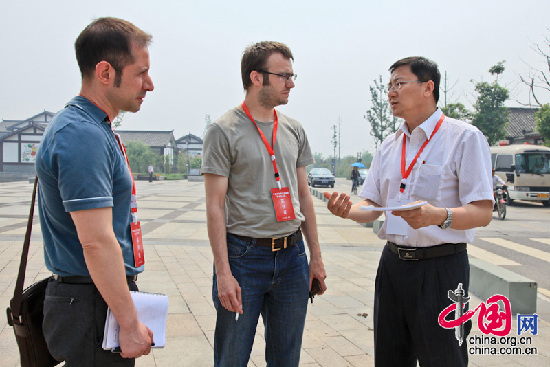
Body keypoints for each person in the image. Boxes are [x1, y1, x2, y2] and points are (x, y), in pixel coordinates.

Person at [325, 56, 493, 366]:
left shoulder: (464, 138)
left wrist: (439, 216)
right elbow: (373, 206)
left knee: (443, 357)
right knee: (390, 357)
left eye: (399, 84)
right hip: (393, 265)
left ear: (428, 87)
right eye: (389, 86)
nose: (391, 92)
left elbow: (482, 212)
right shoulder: (390, 144)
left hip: (442, 268)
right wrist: (348, 210)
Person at [35, 17, 155, 366]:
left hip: (94, 299)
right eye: (140, 72)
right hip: (89, 306)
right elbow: (96, 241)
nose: (149, 84)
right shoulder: (81, 134)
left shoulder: (94, 128)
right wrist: (129, 324)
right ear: (105, 72)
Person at [201, 41, 327, 367]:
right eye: (283, 75)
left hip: (292, 257)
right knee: (232, 357)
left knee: (286, 359)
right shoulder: (223, 131)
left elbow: (303, 197)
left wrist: (315, 258)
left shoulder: (293, 130)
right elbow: (214, 207)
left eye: (292, 75)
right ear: (257, 78)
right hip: (244, 259)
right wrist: (223, 273)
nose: (291, 83)